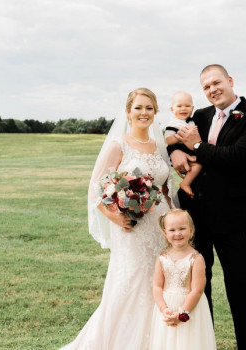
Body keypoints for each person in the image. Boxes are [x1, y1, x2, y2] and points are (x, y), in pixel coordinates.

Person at [60, 88, 177, 350]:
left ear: (155, 112)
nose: (144, 113)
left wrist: (173, 223)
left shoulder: (159, 148)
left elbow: (166, 190)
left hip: (159, 226)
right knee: (132, 282)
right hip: (131, 228)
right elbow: (96, 188)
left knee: (157, 285)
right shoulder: (118, 145)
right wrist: (114, 217)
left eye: (149, 108)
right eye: (138, 107)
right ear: (128, 112)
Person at [168, 64, 246, 350]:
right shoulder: (200, 114)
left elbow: (238, 158)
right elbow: (173, 133)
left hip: (231, 215)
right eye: (206, 87)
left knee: (238, 283)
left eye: (216, 83)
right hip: (195, 214)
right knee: (200, 284)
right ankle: (202, 343)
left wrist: (197, 146)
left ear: (230, 81)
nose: (212, 90)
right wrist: (175, 150)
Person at [149, 209, 216, 350]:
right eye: (172, 230)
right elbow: (157, 286)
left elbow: (197, 290)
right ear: (165, 233)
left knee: (188, 343)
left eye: (182, 229)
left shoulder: (196, 258)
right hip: (167, 307)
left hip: (188, 307)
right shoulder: (162, 258)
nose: (177, 233)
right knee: (167, 342)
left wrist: (182, 313)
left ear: (191, 230)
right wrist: (163, 308)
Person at [164, 91, 202, 198]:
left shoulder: (192, 121)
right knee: (197, 165)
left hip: (190, 148)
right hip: (179, 148)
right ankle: (185, 183)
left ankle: (186, 182)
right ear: (172, 109)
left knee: (198, 164)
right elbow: (169, 140)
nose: (183, 108)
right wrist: (179, 136)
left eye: (187, 106)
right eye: (179, 106)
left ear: (192, 108)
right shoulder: (173, 123)